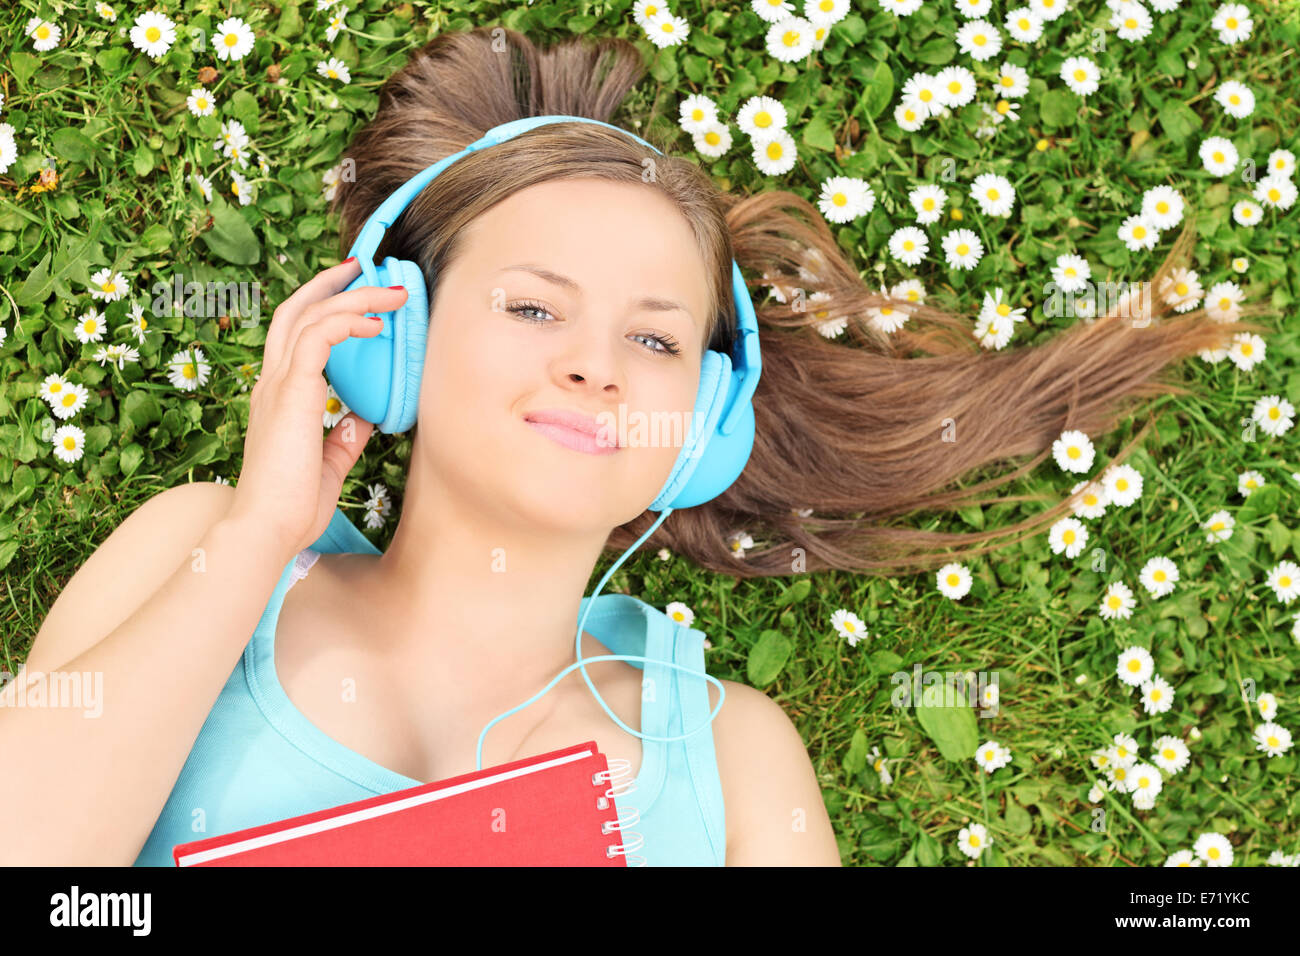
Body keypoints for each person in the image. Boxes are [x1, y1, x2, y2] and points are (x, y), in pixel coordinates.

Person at [4, 27, 1268, 868]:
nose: (595, 364)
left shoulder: (727, 754)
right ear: (395, 342)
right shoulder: (201, 554)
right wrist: (256, 535)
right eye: (535, 307)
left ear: (703, 431)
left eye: (656, 342)